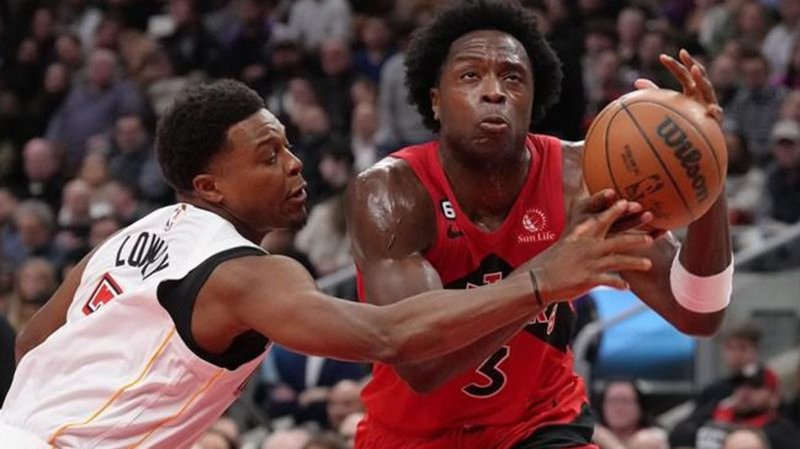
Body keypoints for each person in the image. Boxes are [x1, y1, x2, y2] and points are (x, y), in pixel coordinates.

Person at [0, 79, 652, 449]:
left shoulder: (128, 237)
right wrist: (542, 278)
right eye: (268, 156)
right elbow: (389, 335)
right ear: (209, 187)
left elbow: (32, 343)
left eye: (288, 145)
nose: (294, 164)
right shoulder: (245, 273)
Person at [345, 1, 733, 448]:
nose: (494, 92)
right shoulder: (390, 192)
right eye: (470, 75)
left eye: (513, 78)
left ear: (534, 99)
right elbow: (422, 362)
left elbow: (697, 313)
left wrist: (706, 168)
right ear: (435, 100)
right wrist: (545, 279)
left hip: (541, 425)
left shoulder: (582, 178)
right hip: (410, 436)